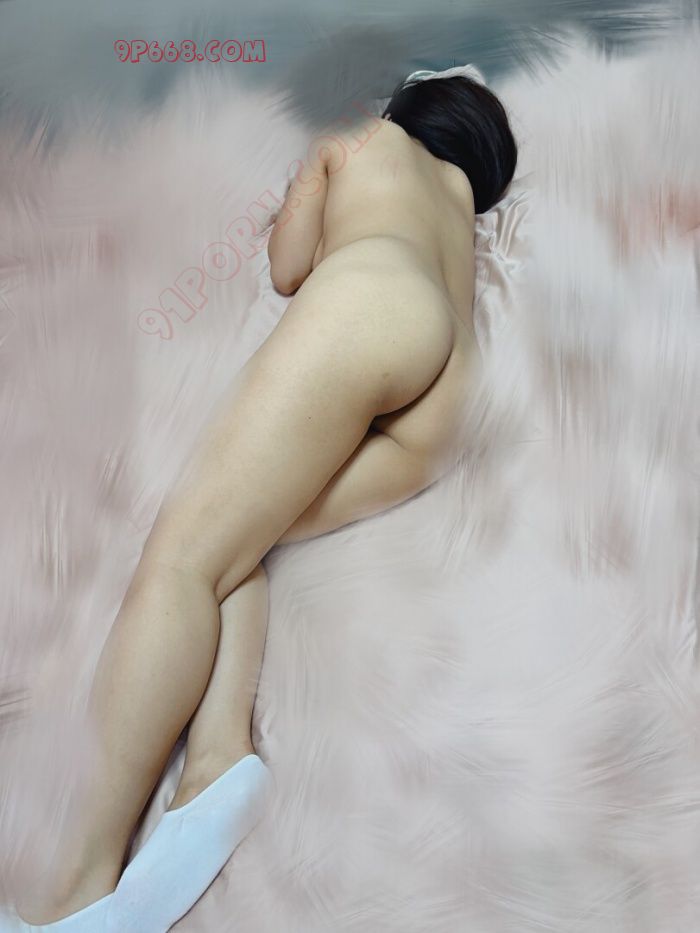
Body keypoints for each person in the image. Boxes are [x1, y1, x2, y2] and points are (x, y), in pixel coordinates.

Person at [10, 64, 517, 931]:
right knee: (245, 537)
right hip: (451, 397)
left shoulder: (362, 139)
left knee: (183, 556)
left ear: (409, 109)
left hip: (375, 303)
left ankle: (76, 886)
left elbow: (287, 268)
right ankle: (218, 758)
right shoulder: (460, 205)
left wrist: (309, 193)